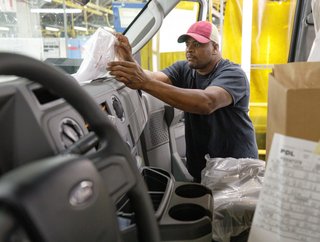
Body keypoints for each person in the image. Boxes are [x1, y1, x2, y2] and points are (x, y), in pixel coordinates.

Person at [107, 21, 258, 182]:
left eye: (197, 44)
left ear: (215, 47)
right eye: (187, 44)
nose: (189, 49)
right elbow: (151, 77)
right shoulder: (184, 69)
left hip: (237, 169)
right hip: (205, 169)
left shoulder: (233, 74)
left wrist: (145, 83)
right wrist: (128, 58)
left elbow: (207, 102)